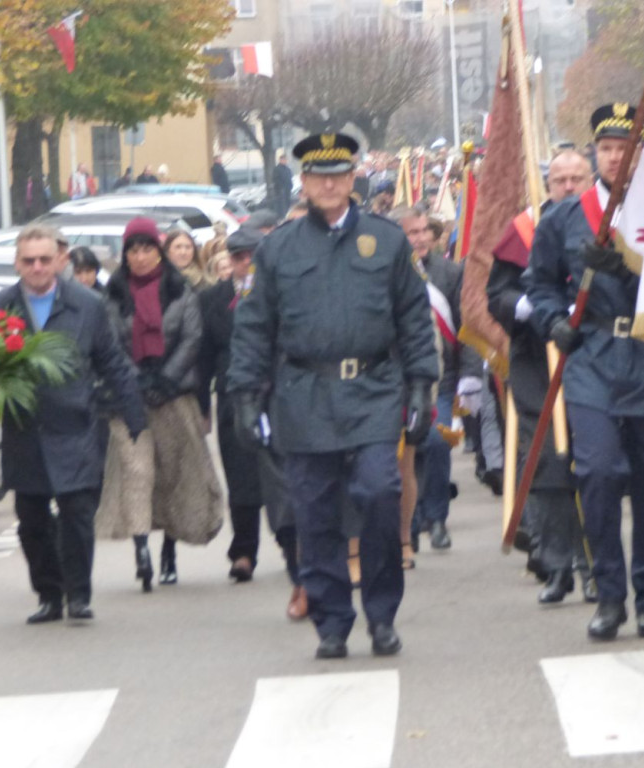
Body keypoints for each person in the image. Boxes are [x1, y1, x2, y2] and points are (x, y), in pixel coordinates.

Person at [228, 131, 439, 659]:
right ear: (303, 181)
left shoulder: (386, 241)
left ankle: (382, 614)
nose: (328, 184)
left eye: (339, 175)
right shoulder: (278, 248)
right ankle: (331, 620)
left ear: (353, 179)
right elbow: (253, 328)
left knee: (379, 493)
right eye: (318, 176)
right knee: (315, 513)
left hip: (373, 388)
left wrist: (420, 386)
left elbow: (414, 319)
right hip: (305, 393)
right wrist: (246, 396)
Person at [526, 104, 644, 640]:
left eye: (626, 148)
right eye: (608, 148)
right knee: (596, 473)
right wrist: (553, 322)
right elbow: (540, 283)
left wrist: (628, 271)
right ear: (596, 152)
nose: (616, 157)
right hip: (593, 357)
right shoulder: (566, 217)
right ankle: (610, 594)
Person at [0, 224, 147, 623]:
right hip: (24, 431)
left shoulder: (87, 305)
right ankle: (49, 594)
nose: (38, 267)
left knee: (77, 514)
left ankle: (78, 594)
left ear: (59, 261)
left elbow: (111, 360)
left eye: (45, 259)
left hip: (75, 426)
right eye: (29, 260)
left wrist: (133, 412)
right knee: (32, 520)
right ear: (17, 263)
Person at [487, 148, 596, 604]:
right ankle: (556, 565)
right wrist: (531, 308)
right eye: (560, 179)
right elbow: (497, 294)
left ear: (589, 179)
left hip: (592, 359)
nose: (568, 186)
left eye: (577, 178)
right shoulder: (525, 229)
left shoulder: (604, 221)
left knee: (592, 465)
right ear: (547, 184)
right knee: (548, 464)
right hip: (538, 362)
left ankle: (594, 565)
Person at [98, 217, 224, 589]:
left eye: (147, 249)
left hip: (174, 394)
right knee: (138, 472)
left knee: (173, 472)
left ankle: (170, 549)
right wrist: (135, 380)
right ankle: (142, 550)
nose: (140, 257)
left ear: (158, 251)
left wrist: (166, 379)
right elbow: (109, 343)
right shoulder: (113, 293)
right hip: (128, 399)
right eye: (133, 250)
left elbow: (192, 337)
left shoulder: (179, 288)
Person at [393, 203, 480, 552]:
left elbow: (466, 326)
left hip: (441, 379)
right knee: (404, 453)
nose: (420, 238)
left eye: (424, 231)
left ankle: (437, 517)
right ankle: (411, 525)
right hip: (398, 381)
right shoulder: (387, 272)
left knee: (436, 442)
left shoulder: (450, 273)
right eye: (411, 232)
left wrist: (470, 375)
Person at [198, 226, 269, 582]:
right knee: (241, 477)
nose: (245, 263)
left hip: (277, 395)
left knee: (286, 475)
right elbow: (203, 357)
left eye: (252, 256)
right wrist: (202, 406)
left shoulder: (280, 292)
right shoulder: (213, 299)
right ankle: (243, 551)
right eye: (239, 257)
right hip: (232, 396)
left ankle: (298, 543)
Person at [272, 149, 293, 219]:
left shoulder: (287, 169)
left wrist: (290, 186)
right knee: (281, 205)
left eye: (286, 159)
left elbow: (290, 178)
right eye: (284, 159)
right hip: (280, 191)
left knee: (287, 204)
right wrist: (281, 187)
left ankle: (287, 215)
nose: (285, 161)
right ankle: (281, 217)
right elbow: (276, 180)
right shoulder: (277, 169)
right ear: (280, 160)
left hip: (287, 190)